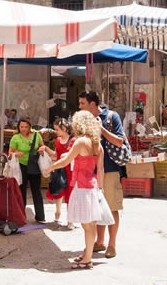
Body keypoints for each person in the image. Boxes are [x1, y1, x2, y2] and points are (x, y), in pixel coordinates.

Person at [42, 110, 113, 270]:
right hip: (92, 186)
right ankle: (87, 253)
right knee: (90, 224)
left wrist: (50, 168)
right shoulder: (97, 144)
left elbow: (66, 161)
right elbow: (100, 169)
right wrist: (100, 189)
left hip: (81, 187)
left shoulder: (81, 142)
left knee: (87, 225)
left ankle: (88, 259)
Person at [79, 91, 124, 259]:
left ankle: (112, 244)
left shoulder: (112, 117)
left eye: (82, 103)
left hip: (110, 170)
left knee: (112, 207)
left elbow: (119, 141)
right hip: (91, 171)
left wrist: (101, 129)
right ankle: (100, 241)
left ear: (92, 104)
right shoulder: (84, 121)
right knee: (95, 208)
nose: (80, 107)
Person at [39, 117, 75, 229]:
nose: (55, 132)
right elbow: (55, 155)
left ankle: (70, 220)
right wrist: (45, 148)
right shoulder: (58, 141)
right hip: (60, 168)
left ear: (64, 128)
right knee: (58, 191)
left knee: (70, 195)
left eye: (57, 129)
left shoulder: (74, 141)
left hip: (70, 170)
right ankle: (58, 211)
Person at [8, 117, 45, 223]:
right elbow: (10, 153)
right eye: (21, 127)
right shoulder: (15, 138)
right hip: (21, 166)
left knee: (36, 191)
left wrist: (41, 149)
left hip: (34, 166)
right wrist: (15, 154)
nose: (23, 129)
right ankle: (21, 216)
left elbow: (43, 147)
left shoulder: (37, 135)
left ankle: (40, 216)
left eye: (26, 127)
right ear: (18, 127)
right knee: (21, 191)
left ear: (30, 127)